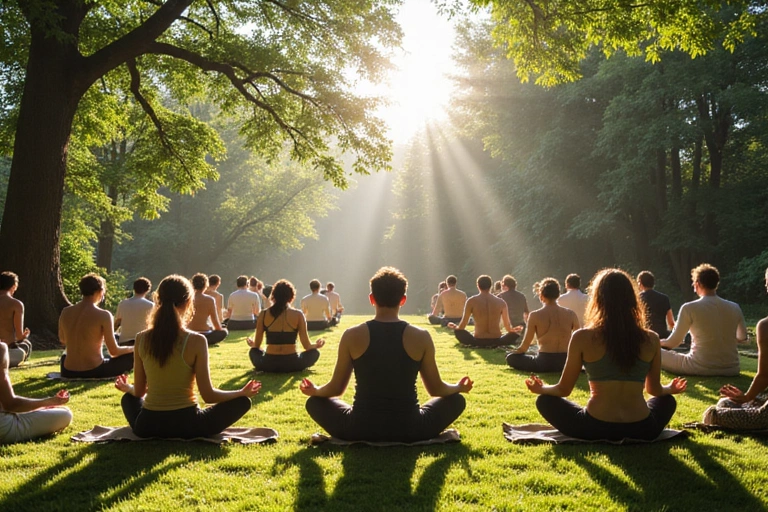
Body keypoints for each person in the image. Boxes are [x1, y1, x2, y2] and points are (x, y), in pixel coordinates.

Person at [300, 267, 473, 442]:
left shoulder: (351, 335)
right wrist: (458, 387)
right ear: (403, 300)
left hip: (359, 428)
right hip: (411, 428)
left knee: (314, 402)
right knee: (456, 400)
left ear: (371, 299)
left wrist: (315, 390)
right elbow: (436, 389)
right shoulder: (421, 336)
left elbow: (336, 388)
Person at [525, 268, 687, 441]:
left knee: (545, 401)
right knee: (667, 401)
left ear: (597, 300)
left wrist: (541, 389)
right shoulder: (652, 339)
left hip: (594, 427)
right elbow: (654, 389)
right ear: (632, 300)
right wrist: (670, 388)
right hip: (643, 428)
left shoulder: (582, 337)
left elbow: (563, 389)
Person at [115, 275, 261, 439]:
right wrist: (241, 392)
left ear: (158, 301)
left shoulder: (141, 338)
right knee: (242, 402)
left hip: (147, 425)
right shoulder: (197, 340)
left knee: (129, 399)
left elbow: (140, 391)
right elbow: (208, 395)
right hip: (190, 425)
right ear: (188, 302)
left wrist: (128, 388)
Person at [660, 263, 748, 376]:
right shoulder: (735, 307)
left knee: (654, 352)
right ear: (716, 284)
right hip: (731, 368)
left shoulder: (689, 308)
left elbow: (673, 343)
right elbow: (742, 337)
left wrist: (656, 342)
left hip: (699, 366)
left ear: (697, 284)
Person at [707, 267, 768, 429]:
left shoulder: (765, 326)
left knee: (717, 412)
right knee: (727, 402)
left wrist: (747, 397)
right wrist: (747, 397)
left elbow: (764, 375)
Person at [59, 273, 134, 379]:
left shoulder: (65, 312)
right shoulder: (104, 315)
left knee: (65, 356)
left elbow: (63, 340)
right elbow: (114, 351)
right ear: (100, 290)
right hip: (94, 370)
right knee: (132, 356)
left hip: (67, 370)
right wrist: (133, 348)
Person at [247, 280, 326, 372]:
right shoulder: (298, 314)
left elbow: (257, 345)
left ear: (274, 295)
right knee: (314, 353)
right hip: (292, 363)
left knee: (253, 352)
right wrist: (317, 345)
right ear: (291, 296)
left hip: (269, 363)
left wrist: (253, 344)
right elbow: (307, 345)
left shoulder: (264, 314)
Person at [0, 342, 72, 442]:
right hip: (4, 429)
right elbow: (10, 405)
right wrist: (49, 402)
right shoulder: (1, 348)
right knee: (66, 414)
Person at [506, 278, 579, 373]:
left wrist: (513, 353)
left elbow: (525, 345)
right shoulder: (571, 314)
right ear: (558, 295)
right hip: (565, 362)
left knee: (511, 358)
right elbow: (578, 340)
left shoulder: (535, 315)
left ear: (541, 295)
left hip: (543, 362)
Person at [448, 275, 522, 347]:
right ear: (491, 286)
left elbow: (463, 324)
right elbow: (508, 327)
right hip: (498, 340)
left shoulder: (471, 301)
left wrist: (456, 328)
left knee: (458, 332)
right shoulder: (501, 302)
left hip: (478, 340)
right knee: (514, 334)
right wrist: (514, 330)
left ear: (478, 286)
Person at [0, 271, 32, 367]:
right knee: (26, 345)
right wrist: (25, 335)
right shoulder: (16, 304)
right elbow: (19, 336)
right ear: (13, 286)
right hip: (5, 351)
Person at [188, 273, 228, 346]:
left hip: (189, 334)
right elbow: (216, 322)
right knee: (224, 332)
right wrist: (217, 328)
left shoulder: (187, 299)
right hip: (205, 333)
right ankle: (203, 341)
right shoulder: (210, 300)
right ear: (206, 285)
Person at [114, 277, 154, 346]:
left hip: (124, 342)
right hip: (142, 342)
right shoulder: (151, 305)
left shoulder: (123, 303)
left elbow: (118, 323)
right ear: (147, 290)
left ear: (134, 289)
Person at [636, 271, 675, 339]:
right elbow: (671, 322)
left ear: (640, 283)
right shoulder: (664, 298)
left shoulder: (638, 299)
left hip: (645, 337)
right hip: (662, 336)